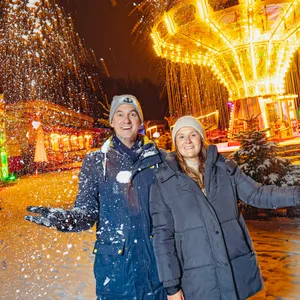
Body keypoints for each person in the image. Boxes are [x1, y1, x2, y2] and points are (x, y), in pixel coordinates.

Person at [25, 94, 167, 300]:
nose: (126, 120)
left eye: (132, 114)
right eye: (119, 114)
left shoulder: (159, 159)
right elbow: (88, 210)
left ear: (140, 121)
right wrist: (67, 219)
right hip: (116, 271)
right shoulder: (95, 162)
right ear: (111, 121)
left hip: (156, 268)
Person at [149, 116, 300, 300]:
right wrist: (172, 287)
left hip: (234, 268)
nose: (187, 141)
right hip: (198, 277)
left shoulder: (224, 170)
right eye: (181, 136)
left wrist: (296, 194)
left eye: (193, 134)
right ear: (175, 143)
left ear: (201, 138)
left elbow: (257, 194)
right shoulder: (163, 183)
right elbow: (163, 237)